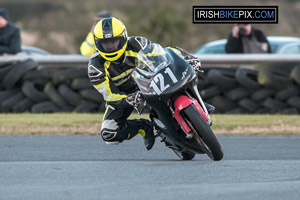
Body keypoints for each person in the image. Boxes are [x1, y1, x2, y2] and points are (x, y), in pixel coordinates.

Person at [88, 17, 215, 150]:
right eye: (105, 43)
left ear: (123, 37)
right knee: (109, 132)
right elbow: (109, 95)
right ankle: (144, 126)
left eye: (114, 41)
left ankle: (196, 105)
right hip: (125, 96)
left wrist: (186, 56)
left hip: (150, 83)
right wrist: (129, 99)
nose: (110, 47)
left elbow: (164, 53)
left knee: (182, 75)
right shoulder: (95, 66)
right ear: (97, 43)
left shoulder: (138, 43)